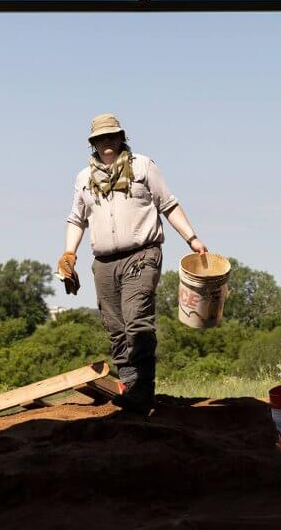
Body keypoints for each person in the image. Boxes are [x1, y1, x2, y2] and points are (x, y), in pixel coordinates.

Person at [58, 114, 207, 414]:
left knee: (137, 321)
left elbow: (168, 204)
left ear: (122, 137)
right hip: (104, 262)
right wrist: (69, 254)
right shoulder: (83, 179)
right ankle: (129, 385)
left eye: (112, 136)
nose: (107, 142)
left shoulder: (143, 166)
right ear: (93, 144)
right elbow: (77, 219)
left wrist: (192, 239)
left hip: (142, 254)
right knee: (115, 327)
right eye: (100, 138)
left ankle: (142, 390)